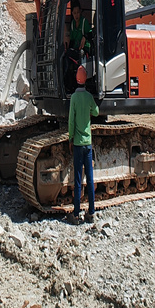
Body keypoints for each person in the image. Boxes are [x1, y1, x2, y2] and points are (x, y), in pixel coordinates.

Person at [67, 65, 99, 224]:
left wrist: (70, 138)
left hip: (78, 144)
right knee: (90, 179)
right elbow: (96, 112)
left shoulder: (74, 98)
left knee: (78, 180)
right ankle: (91, 212)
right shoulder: (88, 97)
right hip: (88, 143)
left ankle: (76, 213)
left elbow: (71, 121)